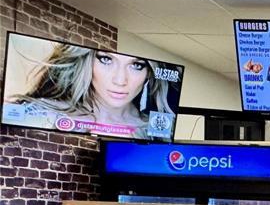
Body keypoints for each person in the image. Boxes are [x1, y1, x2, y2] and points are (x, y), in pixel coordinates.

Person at [3, 42, 176, 139]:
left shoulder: (155, 132)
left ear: (149, 73)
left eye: (136, 65)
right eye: (106, 60)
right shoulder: (40, 115)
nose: (120, 80)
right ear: (88, 63)